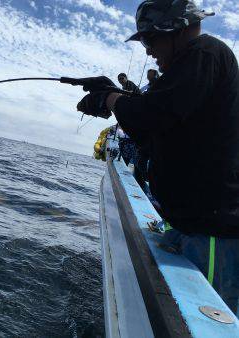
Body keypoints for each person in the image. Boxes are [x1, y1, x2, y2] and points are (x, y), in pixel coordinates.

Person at [76, 0, 239, 315]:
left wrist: (110, 98)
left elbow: (152, 117)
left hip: (214, 230)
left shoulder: (203, 53)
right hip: (193, 225)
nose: (149, 51)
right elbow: (154, 124)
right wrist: (116, 98)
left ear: (173, 29)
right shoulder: (194, 64)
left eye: (150, 39)